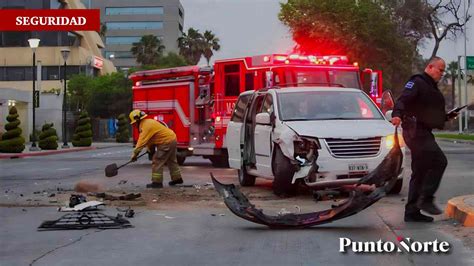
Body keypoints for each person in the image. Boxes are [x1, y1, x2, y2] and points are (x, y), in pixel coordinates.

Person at [392, 56, 457, 223]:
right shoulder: (418, 82)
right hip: (416, 132)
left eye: (443, 71)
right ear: (430, 67)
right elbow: (403, 99)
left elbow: (427, 112)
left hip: (423, 131)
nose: (442, 74)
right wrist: (397, 114)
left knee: (420, 171)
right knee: (439, 161)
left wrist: (445, 117)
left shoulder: (431, 87)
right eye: (440, 70)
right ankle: (426, 199)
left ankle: (412, 212)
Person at [129, 110, 183, 188]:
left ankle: (157, 182)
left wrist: (134, 155)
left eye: (134, 123)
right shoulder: (148, 122)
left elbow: (141, 142)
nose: (134, 125)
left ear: (137, 120)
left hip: (166, 142)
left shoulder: (145, 126)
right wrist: (149, 149)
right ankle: (177, 178)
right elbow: (150, 139)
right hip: (172, 138)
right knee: (171, 160)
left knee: (157, 160)